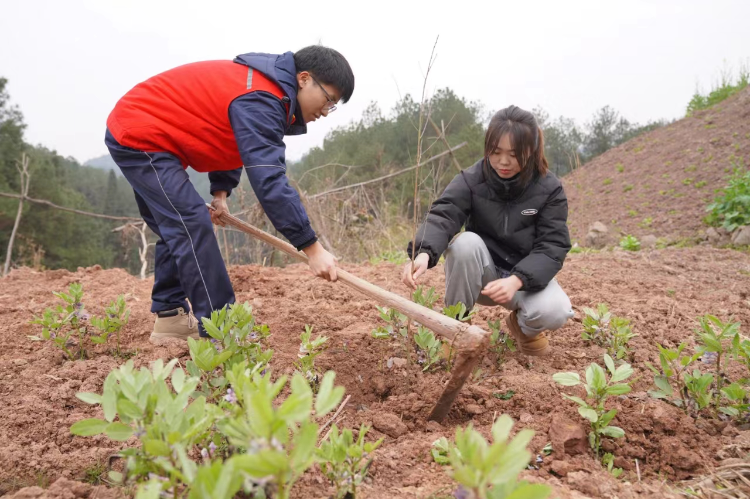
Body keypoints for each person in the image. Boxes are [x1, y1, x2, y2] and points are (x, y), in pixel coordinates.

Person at [105, 46, 354, 342]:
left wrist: (220, 193)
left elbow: (230, 140)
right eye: (328, 100)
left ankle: (170, 317)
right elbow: (270, 180)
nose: (325, 112)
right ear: (303, 79)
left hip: (152, 133)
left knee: (179, 226)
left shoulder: (263, 92)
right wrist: (311, 248)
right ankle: (223, 332)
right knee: (190, 224)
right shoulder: (263, 96)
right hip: (140, 133)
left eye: (332, 106)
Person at [402, 105, 574, 356]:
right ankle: (457, 329)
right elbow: (443, 214)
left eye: (514, 154)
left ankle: (523, 328)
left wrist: (517, 280)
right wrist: (423, 253)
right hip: (483, 277)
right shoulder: (472, 180)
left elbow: (552, 247)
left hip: (524, 281)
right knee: (465, 243)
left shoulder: (549, 189)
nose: (503, 162)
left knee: (555, 311)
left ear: (532, 151)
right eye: (496, 152)